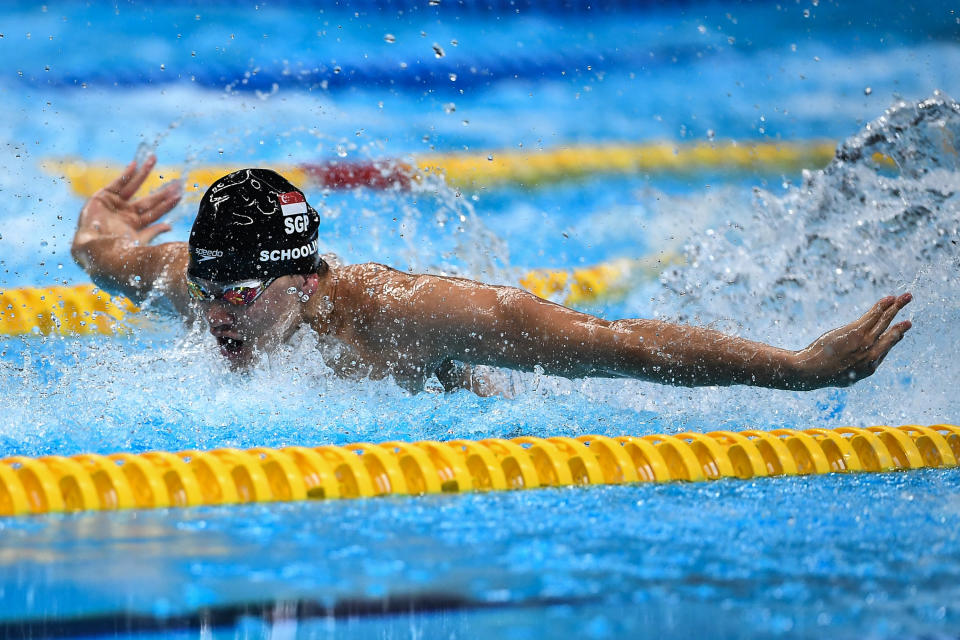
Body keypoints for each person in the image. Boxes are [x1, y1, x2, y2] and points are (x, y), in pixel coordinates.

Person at [71, 155, 913, 396]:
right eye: (209, 288)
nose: (218, 313)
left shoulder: (409, 315)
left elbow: (617, 345)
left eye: (241, 294)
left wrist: (798, 370)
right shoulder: (202, 283)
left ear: (309, 280)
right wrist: (100, 226)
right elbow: (100, 254)